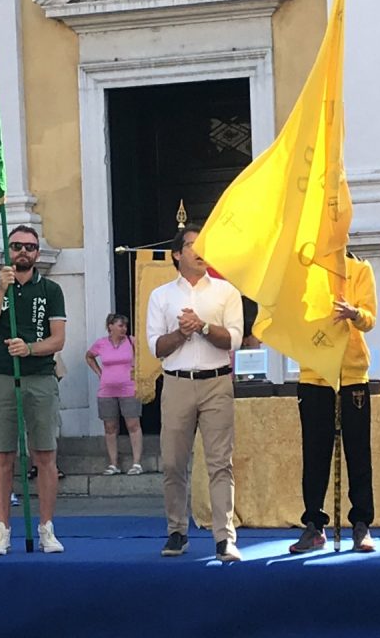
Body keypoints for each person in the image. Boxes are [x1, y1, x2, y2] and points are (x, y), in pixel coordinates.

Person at [146, 224, 244, 562]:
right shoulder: (160, 296)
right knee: (173, 461)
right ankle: (177, 531)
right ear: (177, 254)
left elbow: (233, 339)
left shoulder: (226, 292)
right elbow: (157, 346)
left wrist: (201, 326)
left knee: (220, 463)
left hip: (217, 381)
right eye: (193, 245)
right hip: (176, 382)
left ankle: (224, 538)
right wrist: (182, 333)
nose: (201, 251)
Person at [0, 225, 67, 555]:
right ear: (8, 251)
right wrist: (2, 290)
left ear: (37, 254)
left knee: (45, 454)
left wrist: (29, 348)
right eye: (16, 246)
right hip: (2, 375)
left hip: (40, 376)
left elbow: (58, 339)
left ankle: (46, 527)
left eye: (29, 247)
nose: (23, 252)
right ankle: (2, 530)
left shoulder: (51, 289)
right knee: (2, 456)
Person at [290, 252, 378, 554]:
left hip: (352, 373)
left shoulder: (360, 268)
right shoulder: (306, 269)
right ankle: (314, 525)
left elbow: (370, 318)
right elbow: (294, 314)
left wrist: (355, 314)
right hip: (315, 372)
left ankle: (361, 524)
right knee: (314, 452)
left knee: (358, 452)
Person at [86, 313, 143, 476]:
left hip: (129, 388)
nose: (123, 329)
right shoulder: (101, 343)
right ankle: (113, 463)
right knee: (109, 427)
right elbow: (89, 356)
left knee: (133, 424)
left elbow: (144, 356)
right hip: (107, 390)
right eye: (120, 325)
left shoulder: (132, 341)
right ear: (110, 326)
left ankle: (137, 462)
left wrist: (137, 372)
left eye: (125, 326)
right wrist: (99, 373)